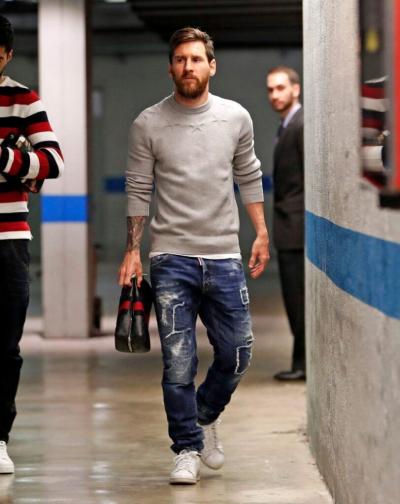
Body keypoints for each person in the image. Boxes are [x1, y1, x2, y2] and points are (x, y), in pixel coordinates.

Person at [119, 27, 270, 484]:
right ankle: (185, 448)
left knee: (238, 353)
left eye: (197, 59)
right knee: (178, 362)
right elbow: (138, 189)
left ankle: (203, 416)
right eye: (181, 59)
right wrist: (133, 250)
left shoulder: (235, 117)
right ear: (171, 67)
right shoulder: (148, 123)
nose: (189, 66)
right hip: (171, 258)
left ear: (212, 65)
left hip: (224, 255)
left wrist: (261, 232)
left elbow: (248, 174)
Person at [0, 15, 64, 473]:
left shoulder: (23, 99)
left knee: (5, 347)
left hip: (9, 242)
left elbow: (53, 162)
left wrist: (5, 157)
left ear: (5, 55)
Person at [266, 66, 305, 381]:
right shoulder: (287, 125)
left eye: (280, 88)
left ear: (296, 89)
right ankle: (301, 362)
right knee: (294, 300)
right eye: (270, 89)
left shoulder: (300, 125)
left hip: (297, 228)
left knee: (298, 299)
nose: (275, 95)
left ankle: (302, 364)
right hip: (290, 227)